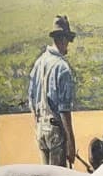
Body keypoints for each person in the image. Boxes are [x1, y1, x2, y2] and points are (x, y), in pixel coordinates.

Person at [27, 16, 78, 168]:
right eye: (68, 40)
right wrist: (70, 142)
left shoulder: (39, 63)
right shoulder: (62, 68)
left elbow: (31, 99)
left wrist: (38, 123)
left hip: (41, 129)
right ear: (62, 39)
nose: (67, 45)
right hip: (56, 131)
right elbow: (64, 110)